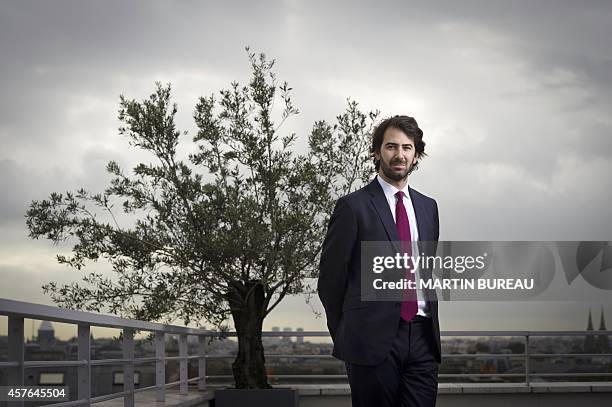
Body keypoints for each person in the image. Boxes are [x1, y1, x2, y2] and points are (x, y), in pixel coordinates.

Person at [318, 115, 441, 407]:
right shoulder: (352, 207)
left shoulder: (428, 208)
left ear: (416, 155)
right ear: (377, 152)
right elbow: (330, 281)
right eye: (391, 146)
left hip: (423, 337)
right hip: (370, 340)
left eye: (407, 147)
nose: (399, 154)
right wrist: (350, 333)